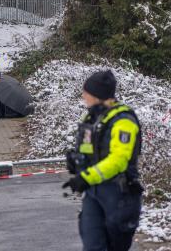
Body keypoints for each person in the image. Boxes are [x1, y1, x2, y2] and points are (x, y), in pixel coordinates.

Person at [63, 70, 143, 251]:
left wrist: (87, 177)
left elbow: (118, 161)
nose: (83, 96)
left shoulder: (124, 121)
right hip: (94, 193)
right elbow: (87, 149)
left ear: (97, 94)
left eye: (87, 92)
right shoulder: (92, 117)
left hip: (119, 194)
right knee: (92, 245)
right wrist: (77, 161)